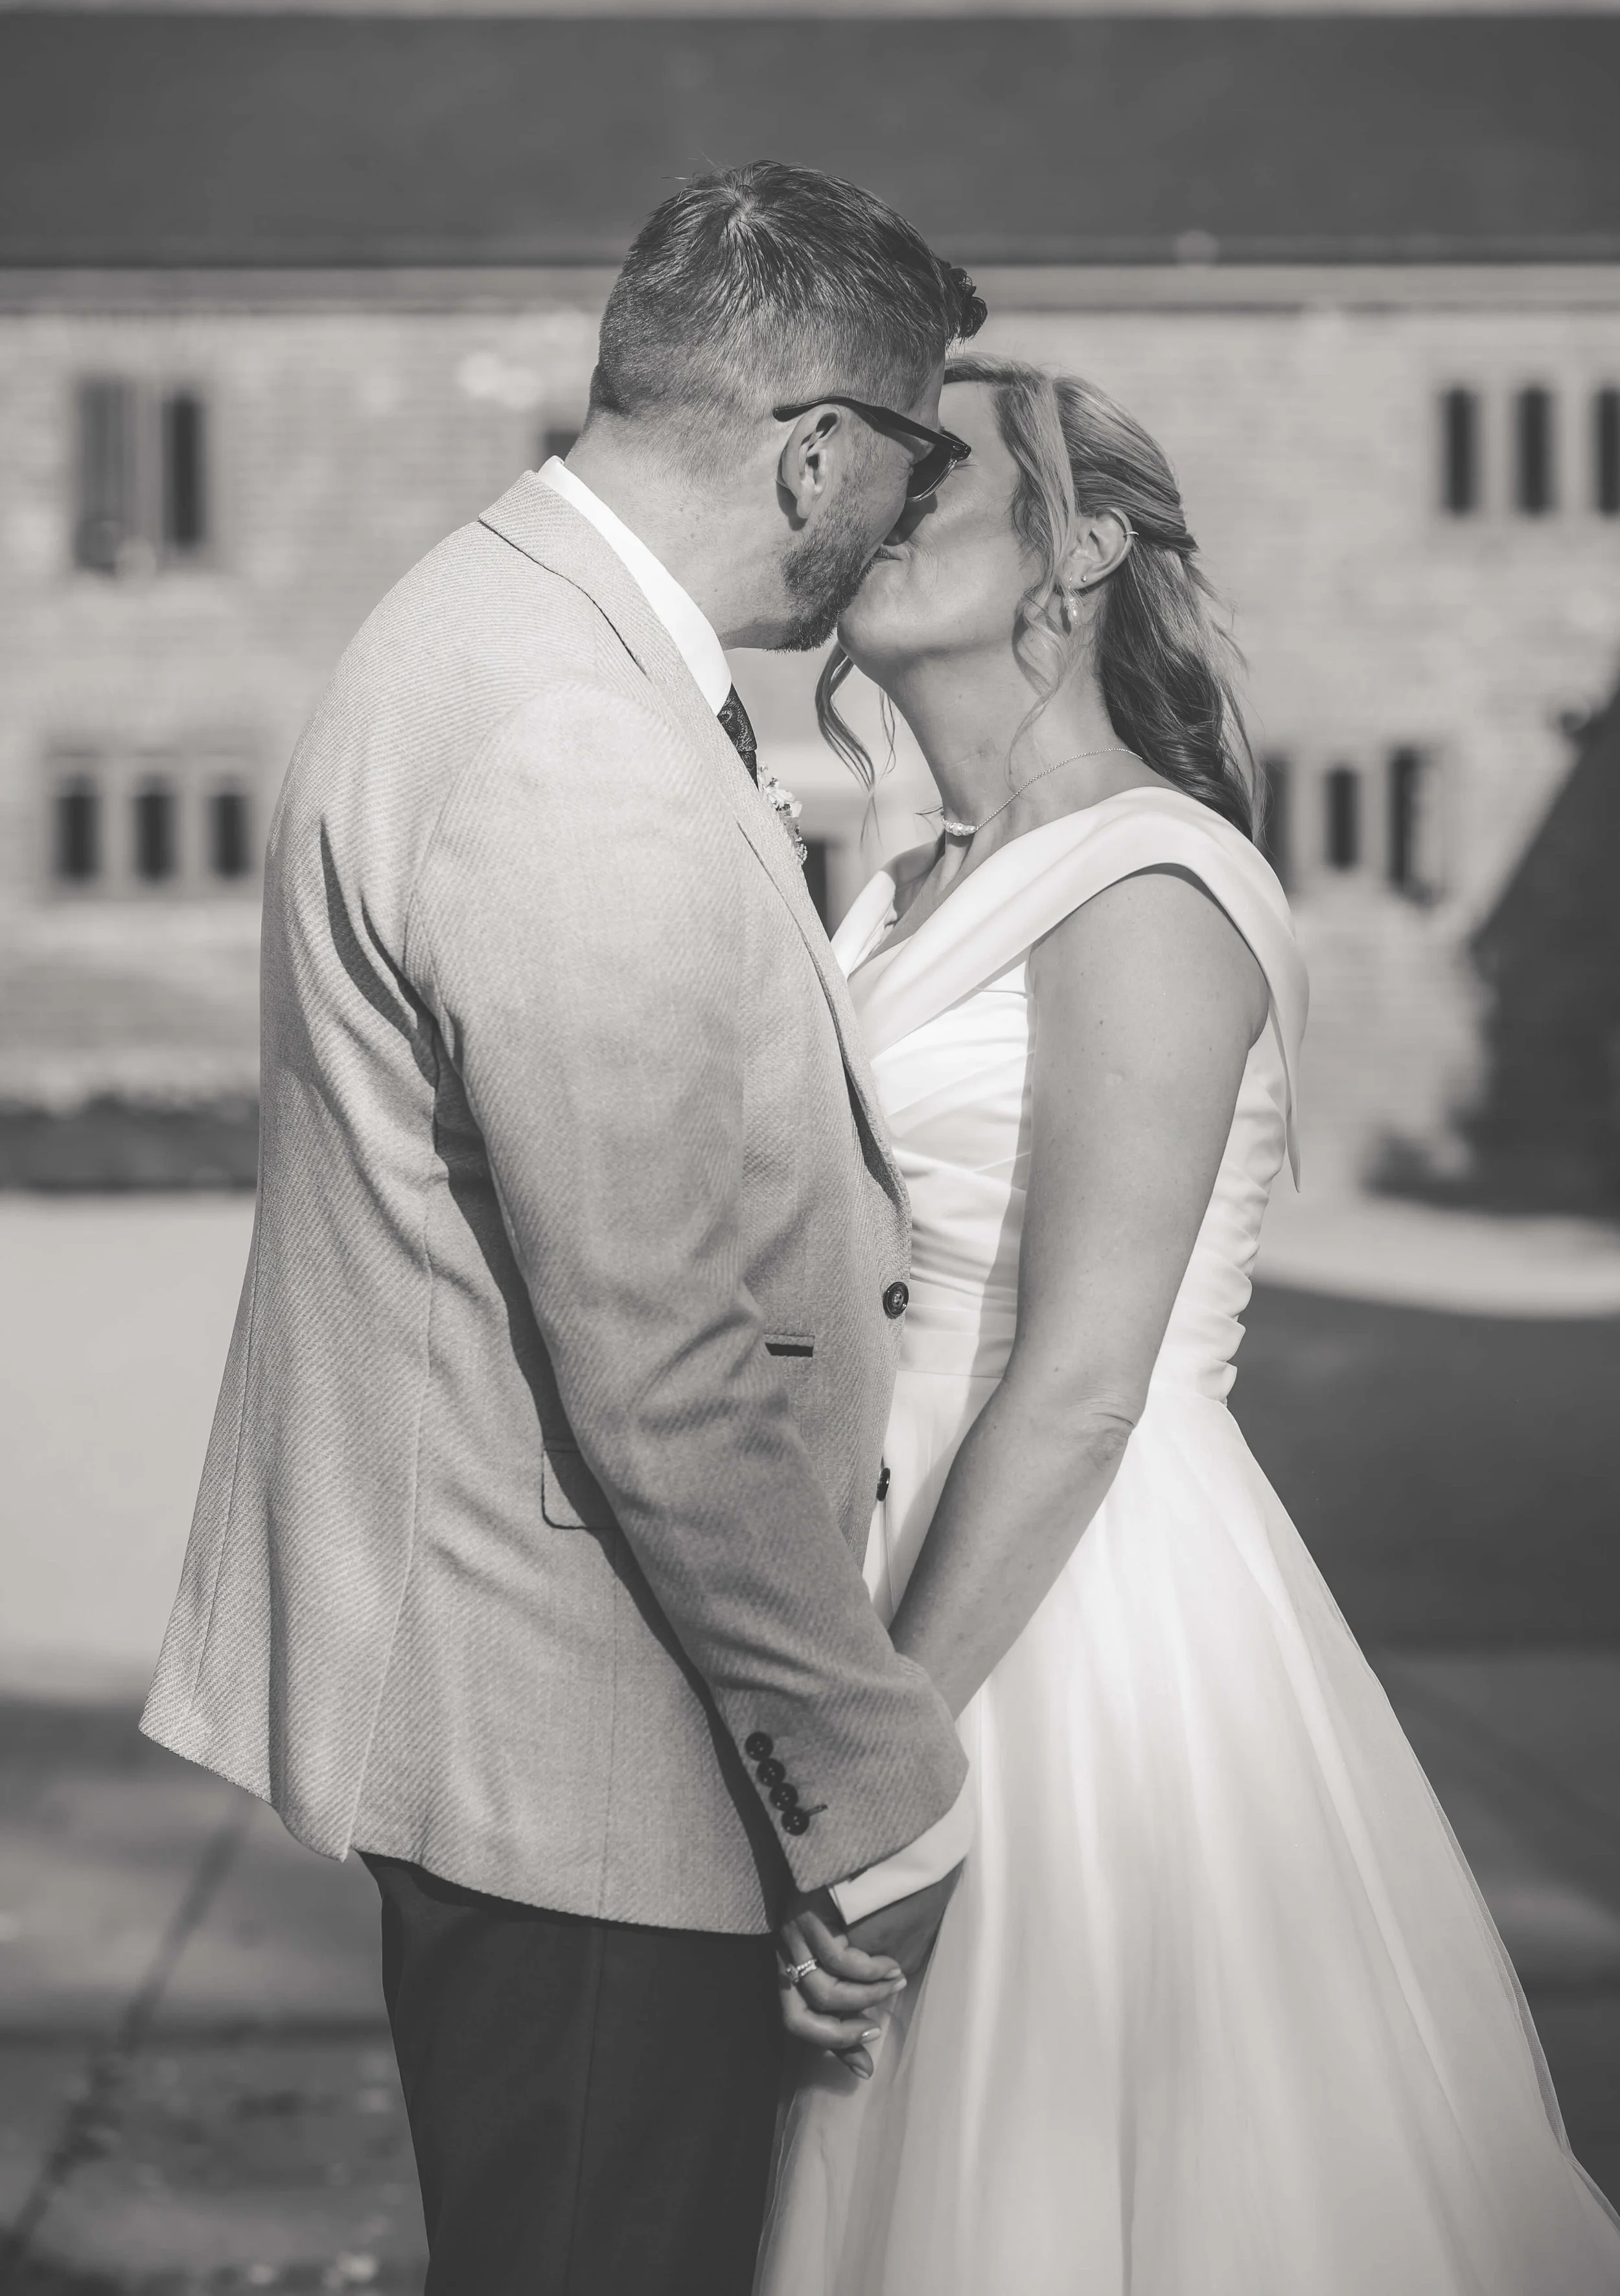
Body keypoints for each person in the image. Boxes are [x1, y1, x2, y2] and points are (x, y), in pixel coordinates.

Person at [140, 163, 990, 2296]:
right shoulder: (571, 733)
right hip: (583, 1745)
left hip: (516, 1713)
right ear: (818, 444)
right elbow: (659, 1348)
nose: (905, 517)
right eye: (918, 455)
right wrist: (873, 1779)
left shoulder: (492, 619)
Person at [755, 354, 1620, 2295]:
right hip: (881, 1569)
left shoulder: (1147, 883)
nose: (873, 500)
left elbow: (1074, 1388)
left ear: (1083, 543)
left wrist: (869, 1762)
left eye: (935, 472)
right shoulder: (897, 884)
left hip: (1061, 1619)